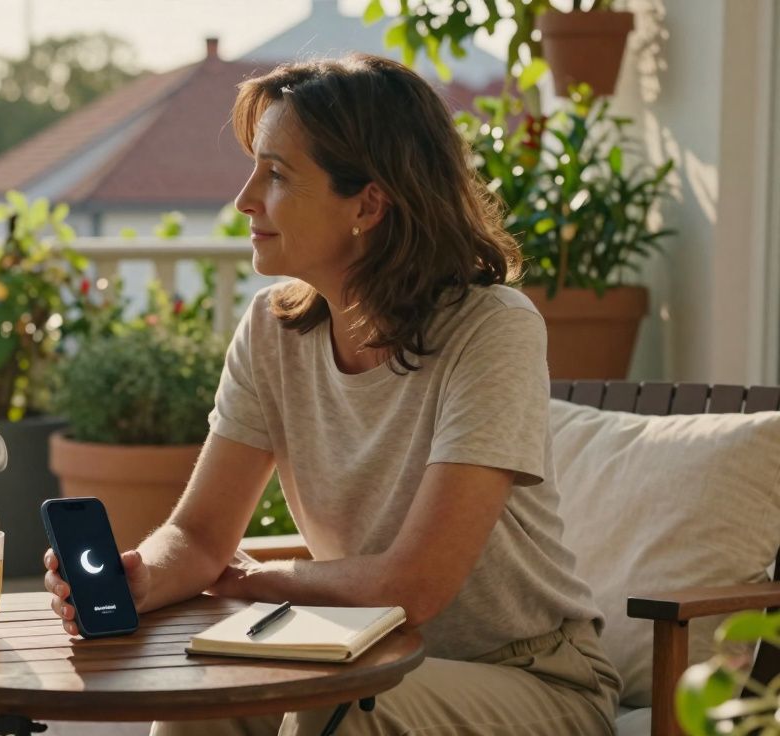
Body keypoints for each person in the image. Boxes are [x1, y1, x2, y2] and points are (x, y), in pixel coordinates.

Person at [42, 53, 621, 735]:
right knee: (205, 705)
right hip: (361, 653)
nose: (245, 198)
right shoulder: (272, 330)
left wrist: (262, 580)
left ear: (368, 203)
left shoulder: (491, 329)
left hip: (531, 680)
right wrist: (145, 577)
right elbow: (198, 536)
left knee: (336, 705)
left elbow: (416, 585)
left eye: (277, 174)